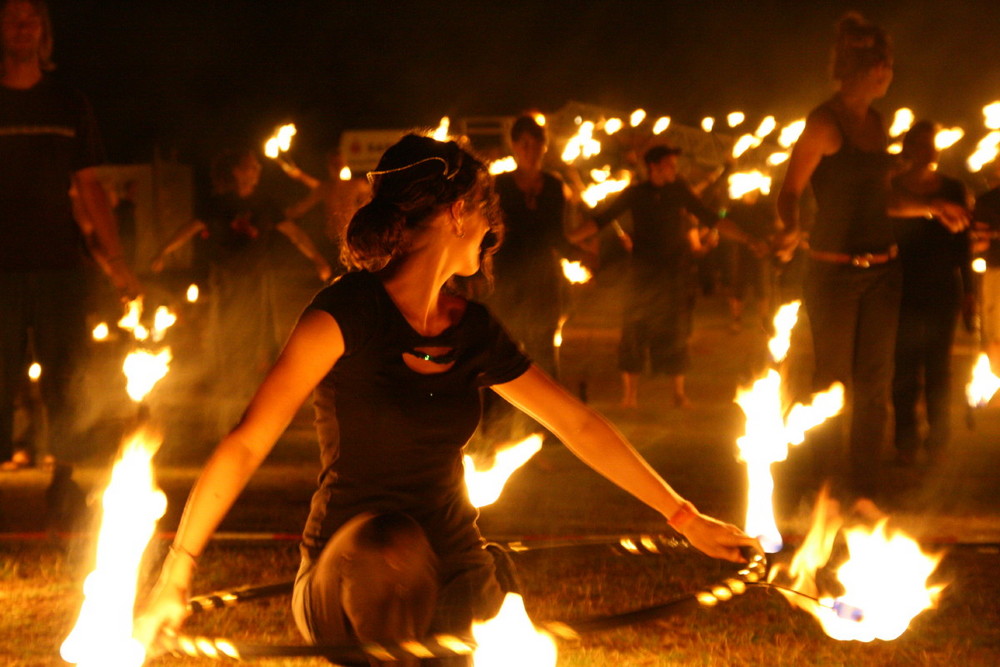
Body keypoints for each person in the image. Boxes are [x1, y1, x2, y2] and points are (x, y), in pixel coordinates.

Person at [135, 135, 757, 664]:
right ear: (460, 212)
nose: (493, 233)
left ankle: (481, 588)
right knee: (391, 549)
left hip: (454, 562)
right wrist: (177, 569)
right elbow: (246, 442)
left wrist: (685, 517)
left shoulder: (471, 328)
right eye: (488, 215)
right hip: (349, 567)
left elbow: (578, 424)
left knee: (458, 589)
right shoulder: (345, 313)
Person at [773, 13, 968, 506]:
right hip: (834, 272)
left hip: (884, 271)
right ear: (857, 68)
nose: (888, 73)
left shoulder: (878, 124)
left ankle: (864, 487)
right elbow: (789, 190)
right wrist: (790, 225)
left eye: (889, 64)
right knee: (831, 383)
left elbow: (881, 200)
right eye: (881, 64)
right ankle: (824, 484)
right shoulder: (825, 122)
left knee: (875, 385)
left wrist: (932, 207)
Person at [0, 0, 141, 468]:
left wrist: (118, 265)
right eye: (13, 19)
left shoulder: (68, 102)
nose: (23, 27)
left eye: (32, 18)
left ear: (44, 31)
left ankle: (66, 487)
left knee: (65, 377)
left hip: (59, 265)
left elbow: (89, 187)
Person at [151, 149, 332, 433]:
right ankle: (227, 399)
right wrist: (163, 252)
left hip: (256, 280)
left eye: (257, 166)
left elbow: (294, 234)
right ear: (237, 172)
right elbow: (189, 229)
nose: (257, 169)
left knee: (256, 335)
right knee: (227, 334)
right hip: (225, 280)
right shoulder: (218, 204)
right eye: (251, 166)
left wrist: (318, 259)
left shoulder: (266, 204)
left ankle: (252, 402)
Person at [590, 144, 719, 409]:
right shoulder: (635, 194)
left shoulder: (679, 191)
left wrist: (744, 236)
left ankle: (678, 394)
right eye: (670, 164)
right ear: (654, 167)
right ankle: (630, 397)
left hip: (673, 276)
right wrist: (571, 239)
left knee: (676, 333)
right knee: (634, 334)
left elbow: (708, 215)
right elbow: (603, 219)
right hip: (642, 276)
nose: (675, 169)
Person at [891, 121, 975, 465]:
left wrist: (969, 290)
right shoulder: (894, 189)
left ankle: (938, 440)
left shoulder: (953, 189)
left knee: (939, 369)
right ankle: (905, 442)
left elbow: (964, 244)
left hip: (942, 288)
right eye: (922, 144)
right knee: (904, 369)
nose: (929, 152)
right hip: (901, 288)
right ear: (908, 148)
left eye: (933, 145)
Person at [489, 115, 582, 378]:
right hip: (507, 280)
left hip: (543, 281)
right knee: (504, 353)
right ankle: (499, 418)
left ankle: (545, 418)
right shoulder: (500, 186)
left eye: (536, 143)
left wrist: (580, 256)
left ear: (545, 146)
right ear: (515, 146)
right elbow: (489, 235)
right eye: (524, 144)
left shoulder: (553, 186)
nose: (530, 150)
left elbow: (556, 235)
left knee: (543, 354)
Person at [284, 148, 371, 276]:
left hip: (354, 241)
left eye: (339, 163)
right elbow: (301, 208)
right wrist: (280, 215)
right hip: (332, 245)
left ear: (344, 164)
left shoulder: (356, 185)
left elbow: (374, 192)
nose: (337, 166)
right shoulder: (325, 188)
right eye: (334, 164)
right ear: (329, 167)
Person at [719, 189, 775, 334]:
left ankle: (764, 321)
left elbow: (773, 228)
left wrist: (767, 244)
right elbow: (724, 224)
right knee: (738, 288)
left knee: (762, 288)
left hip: (760, 253)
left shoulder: (764, 207)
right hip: (739, 253)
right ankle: (736, 320)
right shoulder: (735, 208)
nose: (753, 193)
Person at [972, 159, 1000, 365]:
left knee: (996, 337)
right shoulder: (987, 201)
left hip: (996, 274)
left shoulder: (987, 201)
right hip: (996, 273)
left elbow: (979, 244)